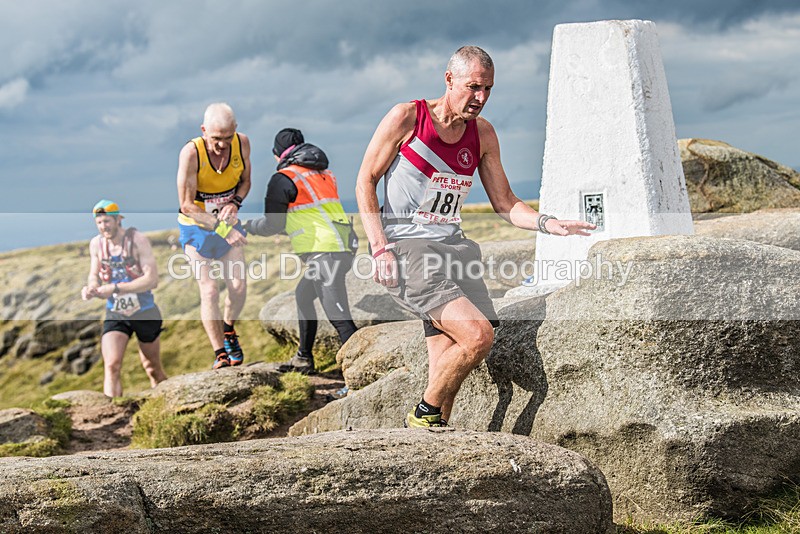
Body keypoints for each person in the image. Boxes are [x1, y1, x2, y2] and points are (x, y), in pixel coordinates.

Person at [355, 46, 596, 428]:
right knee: (478, 336)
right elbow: (365, 180)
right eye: (473, 87)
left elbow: (505, 201)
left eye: (488, 89)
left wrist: (547, 223)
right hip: (410, 250)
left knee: (447, 360)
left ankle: (432, 438)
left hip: (456, 248)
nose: (481, 97)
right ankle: (423, 412)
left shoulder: (482, 134)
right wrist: (379, 247)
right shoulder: (407, 117)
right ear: (449, 79)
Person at [244, 128, 358, 375]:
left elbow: (273, 224)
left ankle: (360, 378)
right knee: (304, 295)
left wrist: (248, 227)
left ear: (278, 154)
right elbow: (311, 217)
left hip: (325, 253)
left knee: (339, 318)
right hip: (343, 246)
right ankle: (303, 358)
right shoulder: (324, 174)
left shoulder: (283, 178)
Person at [177, 103, 251, 370]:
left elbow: (245, 182)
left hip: (227, 224)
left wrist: (235, 202)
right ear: (203, 130)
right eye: (216, 138)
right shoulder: (191, 153)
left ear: (235, 130)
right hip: (196, 228)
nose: (222, 145)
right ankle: (220, 353)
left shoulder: (242, 144)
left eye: (227, 137)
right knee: (209, 290)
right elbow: (187, 205)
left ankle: (228, 329)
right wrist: (223, 229)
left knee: (238, 287)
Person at [81, 200, 168, 397]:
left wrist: (116, 288)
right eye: (99, 222)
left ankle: (165, 402)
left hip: (144, 311)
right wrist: (92, 288)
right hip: (116, 312)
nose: (104, 226)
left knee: (152, 368)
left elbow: (152, 280)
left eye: (107, 221)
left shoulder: (137, 240)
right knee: (111, 365)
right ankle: (112, 411)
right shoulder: (96, 244)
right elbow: (94, 274)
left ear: (118, 220)